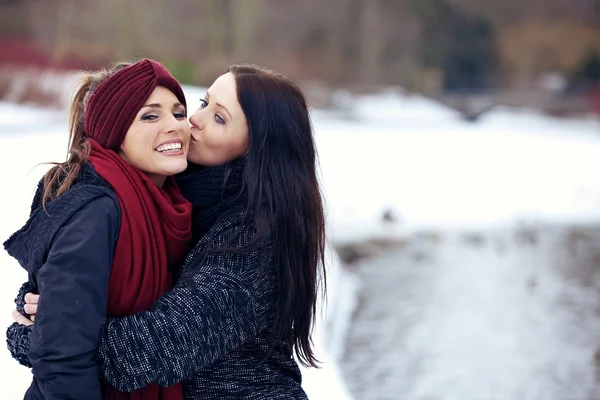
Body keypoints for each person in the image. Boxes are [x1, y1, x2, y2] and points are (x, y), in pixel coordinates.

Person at [11, 63, 327, 399]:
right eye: (204, 104)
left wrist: (43, 335)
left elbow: (157, 347)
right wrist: (47, 307)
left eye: (219, 118)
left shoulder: (255, 237)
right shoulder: (177, 198)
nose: (194, 121)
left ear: (255, 149)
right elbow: (80, 277)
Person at [5, 59, 193, 399]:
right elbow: (61, 354)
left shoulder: (168, 202)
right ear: (115, 133)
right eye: (150, 115)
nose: (175, 126)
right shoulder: (95, 210)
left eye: (178, 113)